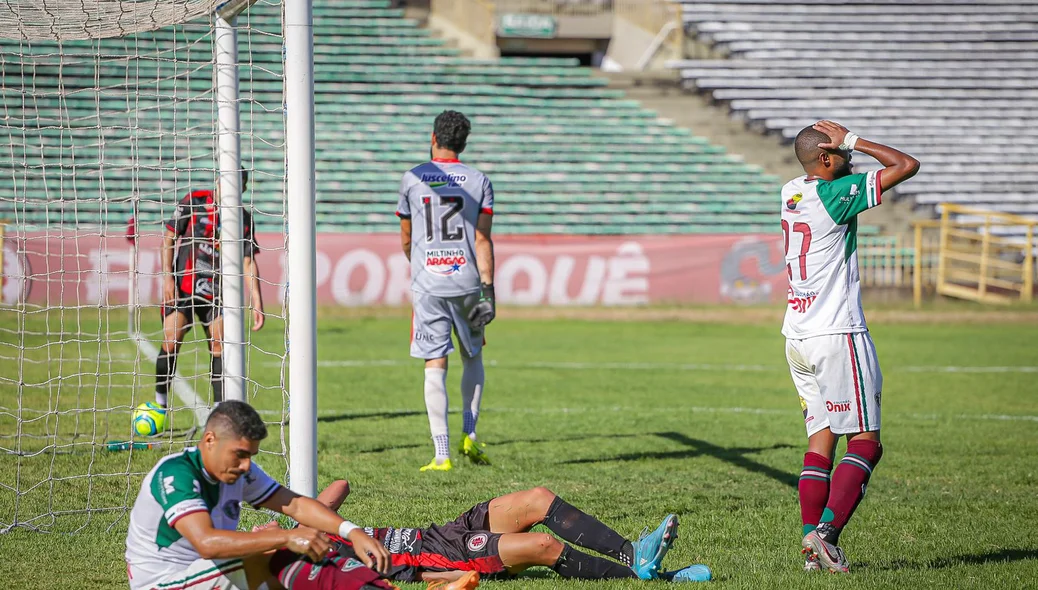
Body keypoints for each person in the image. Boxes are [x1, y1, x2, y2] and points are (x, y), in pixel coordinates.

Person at [781, 121, 920, 573]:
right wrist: (853, 138)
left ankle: (810, 547)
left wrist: (841, 151)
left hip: (797, 335)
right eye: (840, 153)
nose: (849, 158)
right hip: (837, 333)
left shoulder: (791, 190)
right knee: (866, 441)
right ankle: (826, 536)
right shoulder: (834, 195)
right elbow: (906, 165)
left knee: (821, 440)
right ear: (825, 159)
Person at [125, 400, 392, 590]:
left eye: (250, 456)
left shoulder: (239, 471)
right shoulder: (176, 474)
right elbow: (206, 542)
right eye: (239, 454)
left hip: (209, 573)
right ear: (209, 441)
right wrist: (288, 536)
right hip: (165, 581)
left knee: (290, 566)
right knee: (269, 552)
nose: (245, 465)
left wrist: (352, 532)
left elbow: (295, 505)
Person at [257, 481, 711, 586]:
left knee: (537, 497)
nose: (261, 525)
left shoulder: (317, 533)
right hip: (447, 555)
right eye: (260, 532)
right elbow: (416, 578)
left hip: (445, 530)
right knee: (543, 546)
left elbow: (339, 486)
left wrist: (302, 522)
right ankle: (650, 577)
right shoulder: (332, 564)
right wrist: (289, 537)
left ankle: (634, 554)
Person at [396, 110, 496, 471]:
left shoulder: (413, 178)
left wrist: (419, 262)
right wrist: (488, 289)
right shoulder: (479, 180)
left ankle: (442, 454)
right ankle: (470, 434)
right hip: (468, 280)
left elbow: (406, 237)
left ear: (433, 137)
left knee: (434, 361)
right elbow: (482, 237)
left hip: (429, 284)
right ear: (463, 143)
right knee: (473, 357)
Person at [156, 170, 265, 414]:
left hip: (216, 293)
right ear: (217, 181)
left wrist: (257, 301)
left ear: (243, 190)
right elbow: (169, 238)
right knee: (171, 341)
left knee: (219, 346)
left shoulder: (243, 220)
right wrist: (167, 277)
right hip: (183, 287)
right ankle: (159, 405)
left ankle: (219, 412)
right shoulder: (194, 202)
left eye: (238, 185)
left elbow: (248, 262)